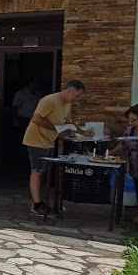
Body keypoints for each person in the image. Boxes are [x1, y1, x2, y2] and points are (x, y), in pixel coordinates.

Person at [21, 80, 87, 216]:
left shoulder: (67, 104)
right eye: (76, 96)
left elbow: (69, 123)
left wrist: (83, 132)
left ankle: (40, 202)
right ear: (69, 91)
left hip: (49, 140)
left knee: (44, 173)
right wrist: (56, 128)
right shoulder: (49, 100)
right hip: (36, 140)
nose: (77, 99)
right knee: (37, 171)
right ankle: (37, 205)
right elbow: (36, 119)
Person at [109, 104, 138, 225]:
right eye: (129, 119)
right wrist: (110, 153)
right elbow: (123, 143)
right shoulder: (130, 129)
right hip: (135, 166)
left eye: (133, 119)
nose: (130, 122)